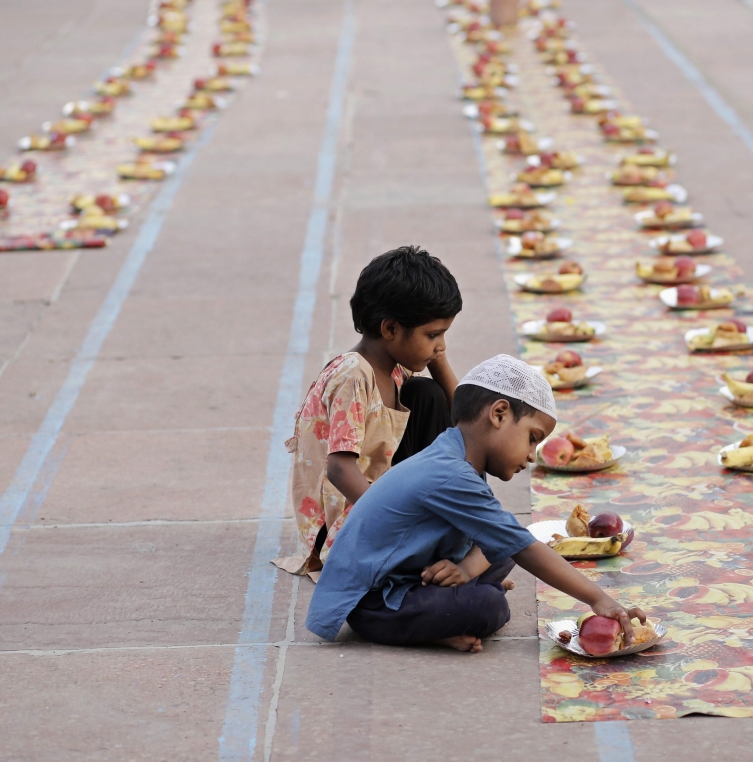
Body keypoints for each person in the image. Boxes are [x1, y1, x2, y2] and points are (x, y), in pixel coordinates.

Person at [305, 354, 647, 652]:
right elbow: (522, 546)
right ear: (498, 414)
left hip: (404, 576)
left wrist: (467, 569)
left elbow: (503, 536)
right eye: (532, 438)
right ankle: (434, 628)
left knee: (500, 551)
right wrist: (598, 598)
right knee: (489, 605)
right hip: (373, 603)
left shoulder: (457, 453)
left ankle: (444, 611)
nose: (531, 456)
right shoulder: (450, 473)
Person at [272, 247, 462, 577]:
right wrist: (397, 517)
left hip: (382, 495)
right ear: (389, 329)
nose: (439, 344)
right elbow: (339, 470)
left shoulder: (394, 368)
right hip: (348, 518)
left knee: (428, 395)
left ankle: (445, 537)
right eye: (433, 335)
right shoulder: (353, 375)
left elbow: (462, 418)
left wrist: (438, 357)